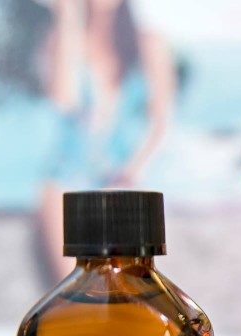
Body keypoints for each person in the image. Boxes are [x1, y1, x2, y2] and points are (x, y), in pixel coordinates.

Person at [39, 0, 176, 279]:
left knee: (126, 284)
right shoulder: (62, 40)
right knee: (74, 284)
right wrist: (68, 19)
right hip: (69, 177)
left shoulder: (148, 44)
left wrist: (132, 170)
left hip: (127, 176)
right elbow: (64, 100)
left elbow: (161, 123)